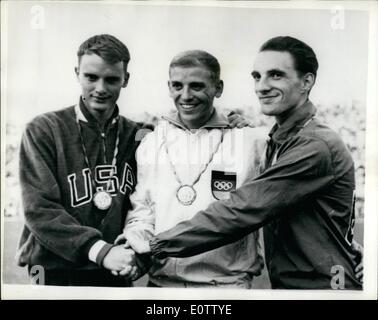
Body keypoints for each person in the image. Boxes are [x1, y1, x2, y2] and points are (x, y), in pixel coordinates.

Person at [16, 34, 248, 286]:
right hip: (56, 269)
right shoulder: (44, 129)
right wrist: (100, 251)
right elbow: (39, 210)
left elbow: (150, 203)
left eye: (112, 79)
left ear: (126, 80)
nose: (101, 88)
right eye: (91, 77)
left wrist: (228, 122)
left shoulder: (141, 136)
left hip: (117, 268)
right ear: (77, 73)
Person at [143, 36, 363, 289]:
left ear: (307, 81)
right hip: (298, 285)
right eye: (257, 76)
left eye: (276, 75)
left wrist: (154, 245)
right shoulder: (278, 139)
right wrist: (350, 244)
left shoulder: (314, 145)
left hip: (325, 289)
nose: (262, 86)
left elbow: (241, 210)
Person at [116, 50, 266, 288]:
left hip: (225, 286)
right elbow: (142, 210)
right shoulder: (152, 142)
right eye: (177, 86)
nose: (185, 95)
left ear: (218, 88)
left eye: (196, 86)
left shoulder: (250, 142)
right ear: (169, 87)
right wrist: (134, 247)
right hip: (162, 285)